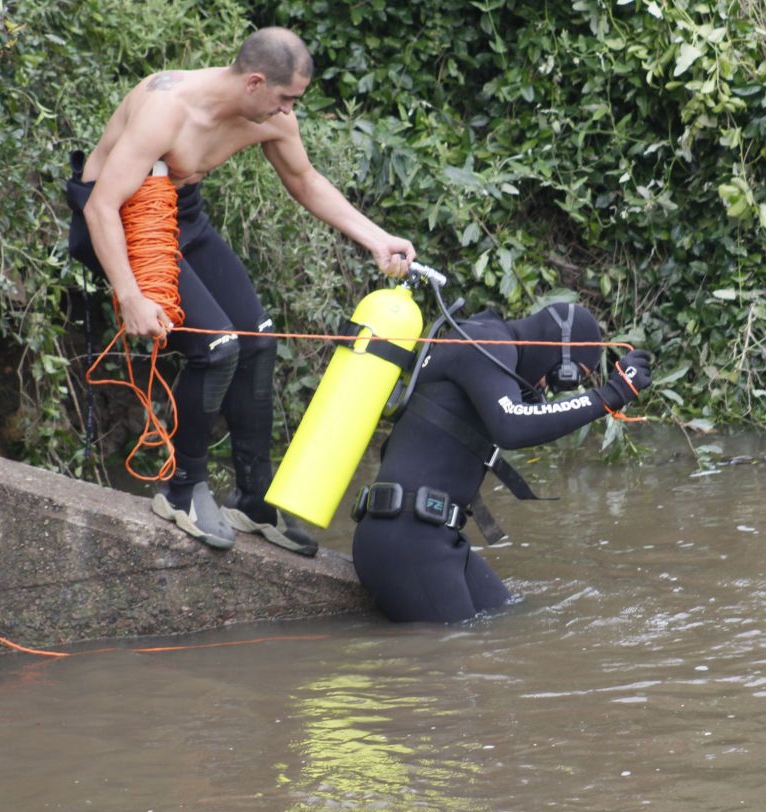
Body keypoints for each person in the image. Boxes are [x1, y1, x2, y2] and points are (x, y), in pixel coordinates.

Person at [64, 27, 415, 554]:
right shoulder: (167, 108)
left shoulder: (269, 118)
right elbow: (98, 207)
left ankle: (253, 500)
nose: (289, 111)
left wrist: (376, 238)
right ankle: (182, 490)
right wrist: (132, 295)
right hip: (122, 220)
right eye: (286, 98)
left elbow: (305, 180)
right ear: (254, 82)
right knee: (215, 347)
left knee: (256, 339)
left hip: (181, 216)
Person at [351, 301, 652, 622]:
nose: (546, 388)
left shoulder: (484, 343)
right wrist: (610, 395)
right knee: (455, 655)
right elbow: (513, 424)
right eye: (563, 378)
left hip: (429, 536)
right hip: (406, 540)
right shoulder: (485, 345)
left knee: (512, 619)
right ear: (556, 352)